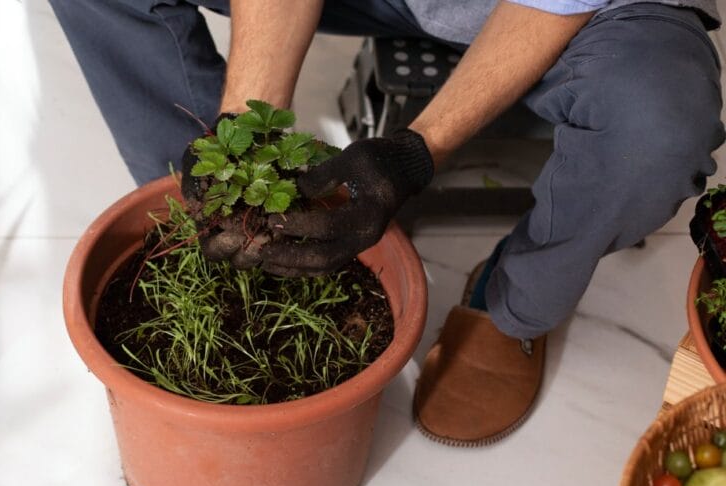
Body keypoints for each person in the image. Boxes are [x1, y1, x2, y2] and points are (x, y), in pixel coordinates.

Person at [49, 0, 725, 447]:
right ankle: (203, 222)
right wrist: (243, 132)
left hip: (585, 13)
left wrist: (416, 151)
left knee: (656, 129)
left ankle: (514, 306)